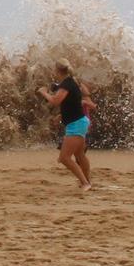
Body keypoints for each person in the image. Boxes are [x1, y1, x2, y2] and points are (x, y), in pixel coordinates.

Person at [37, 59, 94, 191]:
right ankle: (86, 181)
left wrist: (44, 92)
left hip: (76, 124)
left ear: (57, 70)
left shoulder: (67, 84)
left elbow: (56, 101)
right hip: (79, 121)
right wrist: (61, 117)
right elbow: (72, 103)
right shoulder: (70, 82)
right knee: (80, 155)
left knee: (64, 158)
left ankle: (85, 183)